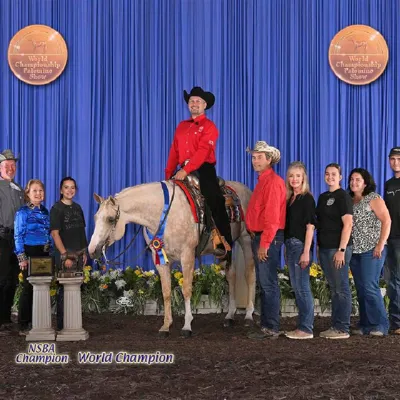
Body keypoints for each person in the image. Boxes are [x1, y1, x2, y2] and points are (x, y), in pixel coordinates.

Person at [164, 86, 232, 259]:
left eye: (198, 101)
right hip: (182, 169)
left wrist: (186, 170)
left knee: (214, 197)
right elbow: (174, 151)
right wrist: (168, 175)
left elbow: (203, 152)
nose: (194, 103)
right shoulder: (181, 127)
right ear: (188, 104)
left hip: (203, 168)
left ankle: (224, 241)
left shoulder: (209, 127)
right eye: (191, 101)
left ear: (204, 105)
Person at [245, 141, 286, 340]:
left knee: (268, 283)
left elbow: (272, 217)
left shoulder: (272, 182)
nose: (255, 161)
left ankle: (271, 326)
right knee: (265, 283)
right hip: (261, 236)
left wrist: (265, 244)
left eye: (259, 157)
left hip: (267, 237)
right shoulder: (263, 181)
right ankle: (267, 325)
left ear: (269, 160)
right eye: (253, 157)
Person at [348, 168, 390, 336]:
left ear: (365, 183)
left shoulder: (373, 198)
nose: (354, 182)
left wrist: (381, 244)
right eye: (352, 179)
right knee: (360, 288)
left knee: (370, 286)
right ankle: (365, 324)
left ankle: (381, 325)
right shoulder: (350, 201)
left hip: (372, 249)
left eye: (358, 179)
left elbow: (386, 221)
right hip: (355, 251)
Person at [316, 163, 353, 339]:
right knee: (333, 288)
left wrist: (342, 249)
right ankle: (335, 325)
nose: (330, 177)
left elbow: (348, 224)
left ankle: (342, 327)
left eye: (334, 174)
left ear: (340, 177)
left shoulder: (343, 196)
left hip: (337, 248)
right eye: (327, 174)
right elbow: (320, 224)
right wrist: (318, 247)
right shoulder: (322, 197)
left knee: (341, 288)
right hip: (325, 248)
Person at [14, 179, 53, 335]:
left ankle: (38, 320)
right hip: (29, 251)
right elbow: (18, 235)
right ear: (28, 194)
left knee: (43, 286)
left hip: (44, 252)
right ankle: (24, 323)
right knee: (28, 288)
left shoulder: (45, 211)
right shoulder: (22, 212)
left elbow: (48, 233)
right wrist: (21, 257)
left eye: (41, 190)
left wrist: (50, 250)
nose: (38, 193)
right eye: (35, 191)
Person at [50, 177, 88, 330]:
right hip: (64, 254)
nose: (69, 190)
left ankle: (74, 323)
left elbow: (81, 232)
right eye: (66, 187)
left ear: (75, 190)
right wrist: (65, 255)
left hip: (78, 253)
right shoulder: (56, 209)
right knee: (63, 290)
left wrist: (84, 252)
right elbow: (55, 234)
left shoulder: (78, 208)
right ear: (61, 190)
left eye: (72, 187)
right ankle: (62, 325)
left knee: (76, 287)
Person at [284, 162, 316, 340]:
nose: (294, 179)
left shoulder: (307, 199)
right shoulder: (290, 199)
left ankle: (306, 328)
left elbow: (310, 226)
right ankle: (302, 326)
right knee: (297, 287)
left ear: (303, 178)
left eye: (298, 176)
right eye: (291, 176)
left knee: (302, 287)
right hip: (290, 245)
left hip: (300, 245)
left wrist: (306, 251)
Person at [0, 149, 24, 336]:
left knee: (12, 279)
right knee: (2, 279)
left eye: (13, 165)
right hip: (1, 237)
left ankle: (6, 318)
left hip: (16, 239)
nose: (10, 168)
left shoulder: (18, 189)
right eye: (7, 165)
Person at [384, 147, 400, 334]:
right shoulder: (388, 185)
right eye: (393, 159)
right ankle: (396, 322)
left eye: (399, 159)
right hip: (391, 237)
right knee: (393, 280)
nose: (395, 162)